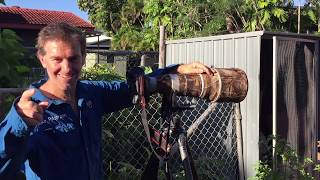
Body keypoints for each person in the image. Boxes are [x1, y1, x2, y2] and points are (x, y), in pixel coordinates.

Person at [0, 22, 214, 180]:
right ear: (42, 59)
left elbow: (136, 88)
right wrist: (18, 122)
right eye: (57, 59)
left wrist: (176, 69)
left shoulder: (91, 94)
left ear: (83, 57)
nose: (66, 68)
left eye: (73, 58)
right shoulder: (29, 110)